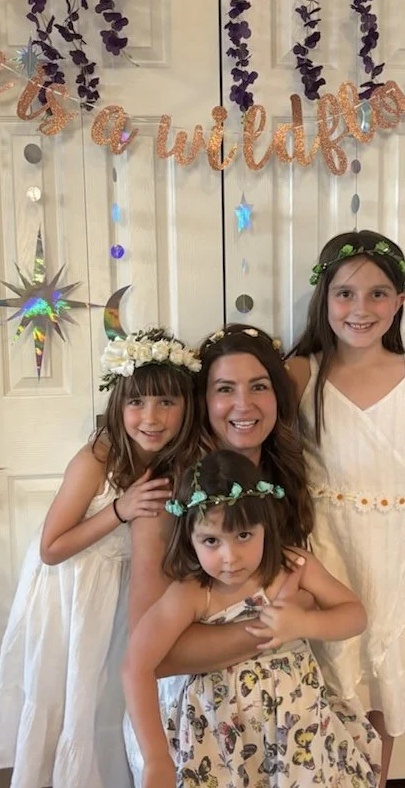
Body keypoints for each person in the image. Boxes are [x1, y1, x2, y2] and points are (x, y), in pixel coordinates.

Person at [0, 327, 200, 788]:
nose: (151, 418)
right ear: (118, 406)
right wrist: (120, 509)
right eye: (137, 403)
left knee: (117, 699)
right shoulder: (97, 457)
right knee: (78, 695)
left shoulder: (184, 460)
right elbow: (51, 548)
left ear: (187, 407)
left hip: (129, 590)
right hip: (74, 591)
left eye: (166, 403)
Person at [288, 230, 405, 787]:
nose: (361, 310)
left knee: (384, 677)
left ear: (400, 299)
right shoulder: (302, 374)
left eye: (378, 294)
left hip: (395, 552)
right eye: (345, 294)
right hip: (326, 549)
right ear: (324, 298)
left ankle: (372, 780)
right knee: (329, 675)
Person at [123, 324, 317, 783]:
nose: (243, 405)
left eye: (259, 387)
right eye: (224, 389)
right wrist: (276, 625)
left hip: (274, 710)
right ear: (202, 402)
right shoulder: (169, 496)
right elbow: (157, 655)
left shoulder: (283, 475)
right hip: (195, 722)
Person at [122, 449, 382, 788]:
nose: (230, 557)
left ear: (266, 525)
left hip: (295, 736)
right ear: (190, 538)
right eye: (211, 541)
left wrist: (303, 623)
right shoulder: (192, 593)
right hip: (219, 743)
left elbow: (354, 614)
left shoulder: (291, 567)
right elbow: (135, 665)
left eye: (244, 535)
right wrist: (156, 758)